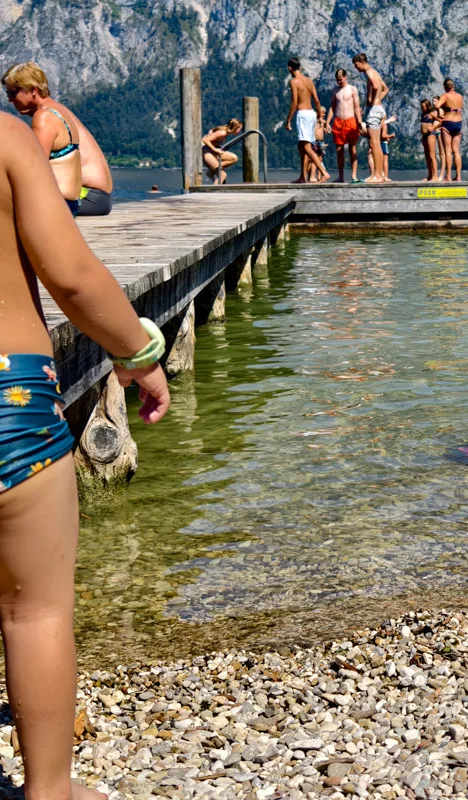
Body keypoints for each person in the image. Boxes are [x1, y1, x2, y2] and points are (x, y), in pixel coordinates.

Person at [0, 111, 170, 800]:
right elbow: (71, 275)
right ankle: (49, 792)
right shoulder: (7, 139)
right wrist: (139, 352)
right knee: (34, 613)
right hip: (7, 397)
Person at [2, 62, 114, 217]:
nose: (10, 100)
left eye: (13, 93)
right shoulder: (59, 111)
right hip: (95, 197)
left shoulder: (44, 117)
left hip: (89, 196)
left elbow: (34, 167)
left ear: (33, 90)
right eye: (8, 94)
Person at [285, 57, 329, 184]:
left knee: (307, 147)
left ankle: (324, 172)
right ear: (299, 67)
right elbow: (316, 100)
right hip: (312, 113)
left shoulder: (294, 82)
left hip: (303, 114)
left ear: (290, 68)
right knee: (302, 147)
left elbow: (294, 102)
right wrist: (320, 115)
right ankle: (303, 177)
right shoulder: (309, 81)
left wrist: (288, 120)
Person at [351, 53, 389, 183]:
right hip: (377, 109)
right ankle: (378, 175)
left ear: (361, 62)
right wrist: (377, 100)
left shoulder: (369, 72)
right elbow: (385, 89)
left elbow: (377, 87)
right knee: (375, 144)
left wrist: (372, 101)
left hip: (374, 110)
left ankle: (377, 175)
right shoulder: (375, 72)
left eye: (357, 66)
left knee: (374, 144)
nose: (357, 69)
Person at [327, 69, 362, 183]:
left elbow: (357, 107)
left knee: (352, 148)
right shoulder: (334, 91)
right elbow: (332, 107)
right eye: (337, 79)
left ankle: (354, 175)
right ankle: (341, 176)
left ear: (346, 77)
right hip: (338, 121)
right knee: (339, 149)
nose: (339, 81)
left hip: (350, 120)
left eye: (341, 79)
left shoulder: (352, 89)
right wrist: (328, 122)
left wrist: (360, 122)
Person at [434, 78, 464, 182]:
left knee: (448, 151)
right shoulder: (460, 96)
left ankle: (449, 176)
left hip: (448, 123)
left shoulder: (445, 96)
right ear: (453, 86)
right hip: (458, 124)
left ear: (445, 87)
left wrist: (440, 114)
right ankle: (459, 176)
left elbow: (437, 105)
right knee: (456, 151)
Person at [201, 119, 241, 185]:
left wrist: (211, 134)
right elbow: (205, 140)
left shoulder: (225, 131)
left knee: (234, 158)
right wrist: (215, 149)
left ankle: (211, 171)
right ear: (235, 128)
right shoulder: (222, 132)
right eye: (239, 129)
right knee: (222, 175)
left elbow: (211, 130)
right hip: (205, 150)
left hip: (211, 150)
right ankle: (213, 193)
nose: (240, 131)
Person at [419, 99, 443, 181]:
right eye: (421, 107)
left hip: (430, 135)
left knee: (432, 156)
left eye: (423, 107)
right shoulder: (423, 114)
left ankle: (435, 176)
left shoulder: (431, 114)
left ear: (427, 106)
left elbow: (440, 121)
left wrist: (433, 127)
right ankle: (430, 175)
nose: (422, 108)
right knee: (427, 157)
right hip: (424, 136)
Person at [307, 108, 330, 183]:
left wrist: (327, 128)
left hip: (321, 142)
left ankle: (320, 176)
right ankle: (312, 176)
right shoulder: (314, 121)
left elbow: (327, 130)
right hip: (314, 141)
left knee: (320, 160)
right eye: (322, 113)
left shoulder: (323, 122)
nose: (323, 115)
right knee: (315, 159)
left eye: (324, 113)